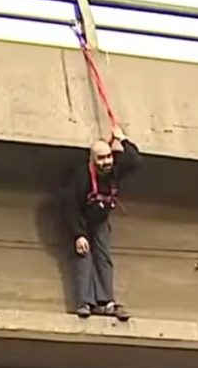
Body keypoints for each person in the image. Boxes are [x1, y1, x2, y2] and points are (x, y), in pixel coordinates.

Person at [60, 125, 142, 321]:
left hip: (101, 219)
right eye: (101, 158)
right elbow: (69, 207)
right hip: (83, 218)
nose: (106, 162)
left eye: (108, 157)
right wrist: (78, 234)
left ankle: (107, 302)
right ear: (92, 159)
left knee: (103, 257)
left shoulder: (114, 170)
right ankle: (85, 302)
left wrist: (122, 139)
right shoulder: (82, 178)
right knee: (84, 256)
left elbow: (136, 160)